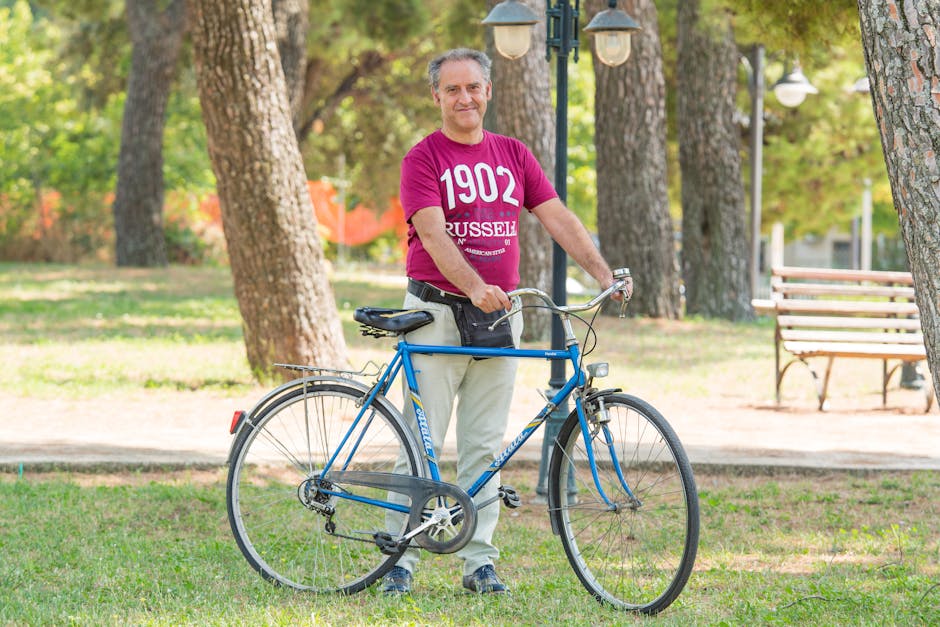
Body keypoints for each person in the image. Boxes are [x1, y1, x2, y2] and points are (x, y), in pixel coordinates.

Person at [383, 48, 632, 596]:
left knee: (485, 444)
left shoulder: (513, 155)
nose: (464, 98)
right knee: (422, 444)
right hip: (435, 312)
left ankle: (479, 563)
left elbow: (557, 217)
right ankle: (400, 558)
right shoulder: (423, 159)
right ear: (437, 98)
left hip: (501, 315)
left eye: (473, 87)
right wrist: (474, 288)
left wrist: (601, 273)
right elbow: (432, 233)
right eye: (452, 90)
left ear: (488, 91)